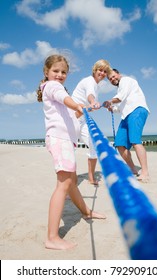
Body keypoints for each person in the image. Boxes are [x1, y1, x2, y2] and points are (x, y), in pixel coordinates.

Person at [37, 54, 106, 250]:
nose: (60, 75)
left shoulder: (56, 90)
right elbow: (65, 98)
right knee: (64, 183)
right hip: (60, 140)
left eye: (64, 72)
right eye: (55, 71)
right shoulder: (52, 87)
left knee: (72, 182)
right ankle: (52, 237)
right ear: (47, 72)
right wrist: (76, 104)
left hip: (65, 141)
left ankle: (86, 212)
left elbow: (70, 115)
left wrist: (83, 110)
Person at [103, 69, 150, 182]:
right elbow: (120, 107)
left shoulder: (126, 80)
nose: (113, 79)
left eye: (114, 76)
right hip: (126, 115)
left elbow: (120, 97)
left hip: (137, 110)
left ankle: (145, 172)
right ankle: (133, 169)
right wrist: (112, 108)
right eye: (110, 79)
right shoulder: (120, 89)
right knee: (119, 144)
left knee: (135, 140)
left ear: (119, 74)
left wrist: (110, 101)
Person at [72, 59, 111, 185]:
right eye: (100, 70)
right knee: (69, 150)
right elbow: (90, 96)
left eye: (105, 71)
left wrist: (96, 105)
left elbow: (90, 104)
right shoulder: (90, 81)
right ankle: (68, 184)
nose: (102, 73)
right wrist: (93, 102)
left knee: (94, 145)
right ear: (95, 70)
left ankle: (91, 177)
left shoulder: (96, 86)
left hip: (83, 119)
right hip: (72, 118)